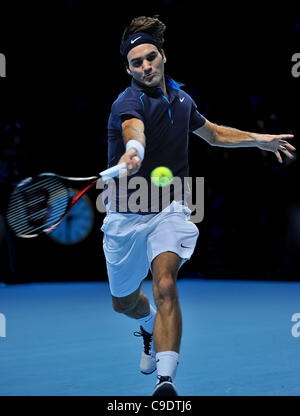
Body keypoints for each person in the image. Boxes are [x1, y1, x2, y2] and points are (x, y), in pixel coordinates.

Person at [101, 15, 295, 396]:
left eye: (151, 57)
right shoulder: (127, 102)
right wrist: (134, 151)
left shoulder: (182, 100)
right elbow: (132, 130)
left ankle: (166, 379)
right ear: (128, 68)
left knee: (166, 282)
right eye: (137, 62)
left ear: (163, 57)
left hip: (170, 208)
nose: (146, 66)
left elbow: (214, 133)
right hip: (125, 216)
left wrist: (260, 140)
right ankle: (147, 326)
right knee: (124, 302)